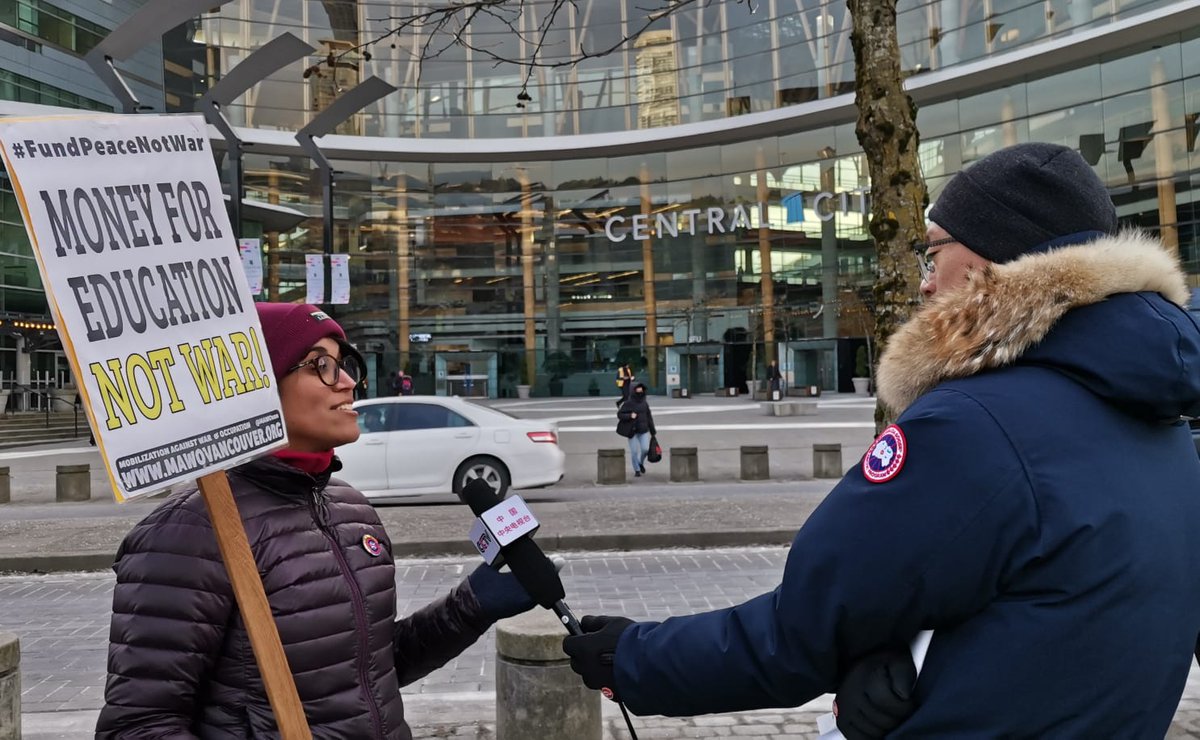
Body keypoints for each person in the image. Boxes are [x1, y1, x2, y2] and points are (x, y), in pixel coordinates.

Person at [562, 142, 1200, 737]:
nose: (924, 282)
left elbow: (806, 630)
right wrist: (922, 656)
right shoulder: (1161, 421)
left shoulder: (972, 426)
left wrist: (631, 656)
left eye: (934, 252)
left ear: (994, 259)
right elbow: (1057, 603)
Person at [96, 302, 541, 738]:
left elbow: (366, 674)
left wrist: (470, 606)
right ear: (256, 386)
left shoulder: (350, 507)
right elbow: (138, 725)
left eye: (345, 364)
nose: (347, 382)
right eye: (320, 365)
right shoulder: (188, 531)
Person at [616, 382, 655, 477]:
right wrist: (630, 415)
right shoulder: (628, 403)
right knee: (634, 452)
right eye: (638, 388)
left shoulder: (645, 403)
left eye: (641, 388)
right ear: (633, 390)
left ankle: (640, 463)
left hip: (643, 430)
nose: (640, 390)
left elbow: (649, 416)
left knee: (645, 449)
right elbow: (619, 414)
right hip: (632, 431)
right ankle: (637, 469)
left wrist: (652, 429)